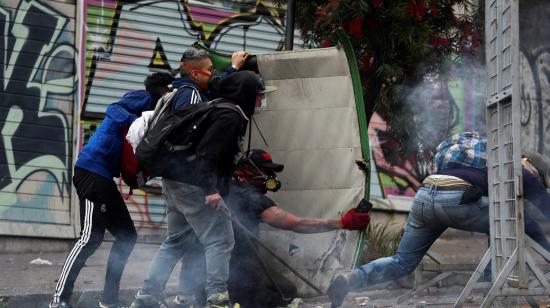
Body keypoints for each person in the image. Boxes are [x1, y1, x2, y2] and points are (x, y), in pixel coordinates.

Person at [327, 133, 550, 307]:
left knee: (402, 263)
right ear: (536, 169)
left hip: (424, 196)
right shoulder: (524, 171)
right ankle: (491, 279)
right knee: (510, 218)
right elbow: (539, 214)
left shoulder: (483, 163)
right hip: (452, 199)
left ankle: (350, 279)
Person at [131, 71, 274, 308]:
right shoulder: (230, 116)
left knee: (176, 240)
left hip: (174, 180)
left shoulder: (219, 108)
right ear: (246, 94)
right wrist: (210, 190)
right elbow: (206, 155)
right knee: (220, 240)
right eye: (258, 96)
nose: (261, 101)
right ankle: (217, 298)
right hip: (192, 183)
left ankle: (147, 294)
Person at [172, 149, 372, 308]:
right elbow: (295, 223)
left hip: (198, 276)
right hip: (232, 271)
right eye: (266, 171)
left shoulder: (220, 188)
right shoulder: (249, 197)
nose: (270, 177)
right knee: (286, 293)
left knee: (279, 285)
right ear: (249, 171)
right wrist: (342, 223)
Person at [49, 72, 175, 308]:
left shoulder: (160, 114)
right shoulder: (143, 99)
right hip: (91, 170)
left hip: (104, 176)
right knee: (89, 238)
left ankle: (109, 300)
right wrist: (136, 123)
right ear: (163, 90)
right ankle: (59, 300)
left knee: (127, 236)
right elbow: (113, 108)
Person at [171, 48, 249, 110]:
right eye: (210, 69)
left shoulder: (197, 92)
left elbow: (219, 84)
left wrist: (234, 67)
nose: (212, 74)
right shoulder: (190, 93)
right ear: (195, 74)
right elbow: (185, 125)